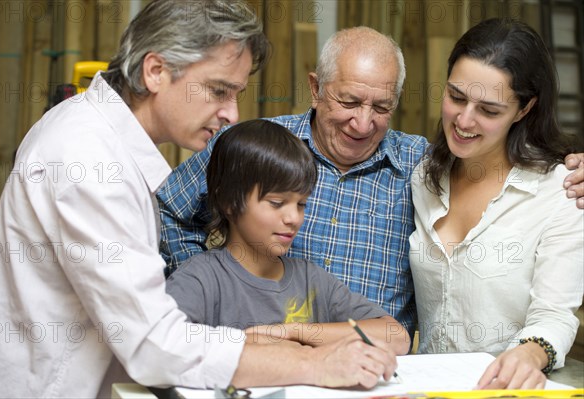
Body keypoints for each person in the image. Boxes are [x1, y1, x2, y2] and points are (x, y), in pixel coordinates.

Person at [0, 2, 397, 398]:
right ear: (156, 70)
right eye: (219, 90)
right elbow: (154, 345)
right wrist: (315, 364)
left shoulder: (99, 142)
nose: (231, 113)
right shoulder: (88, 159)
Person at [158, 25, 584, 340]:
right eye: (348, 101)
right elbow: (168, 210)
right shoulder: (258, 148)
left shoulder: (424, 166)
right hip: (258, 365)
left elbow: (507, 162)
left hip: (374, 372)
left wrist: (572, 167)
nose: (362, 123)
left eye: (382, 106)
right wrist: (217, 284)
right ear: (315, 88)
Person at [409, 18, 584, 390]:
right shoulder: (422, 175)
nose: (464, 120)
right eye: (456, 96)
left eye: (489, 110)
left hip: (501, 390)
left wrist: (530, 353)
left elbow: (555, 314)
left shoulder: (560, 192)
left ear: (523, 110)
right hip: (424, 389)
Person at [166, 119, 410, 357]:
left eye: (301, 204)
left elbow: (396, 337)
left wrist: (293, 332)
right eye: (277, 203)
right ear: (229, 202)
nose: (294, 218)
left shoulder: (311, 280)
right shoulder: (200, 278)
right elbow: (164, 346)